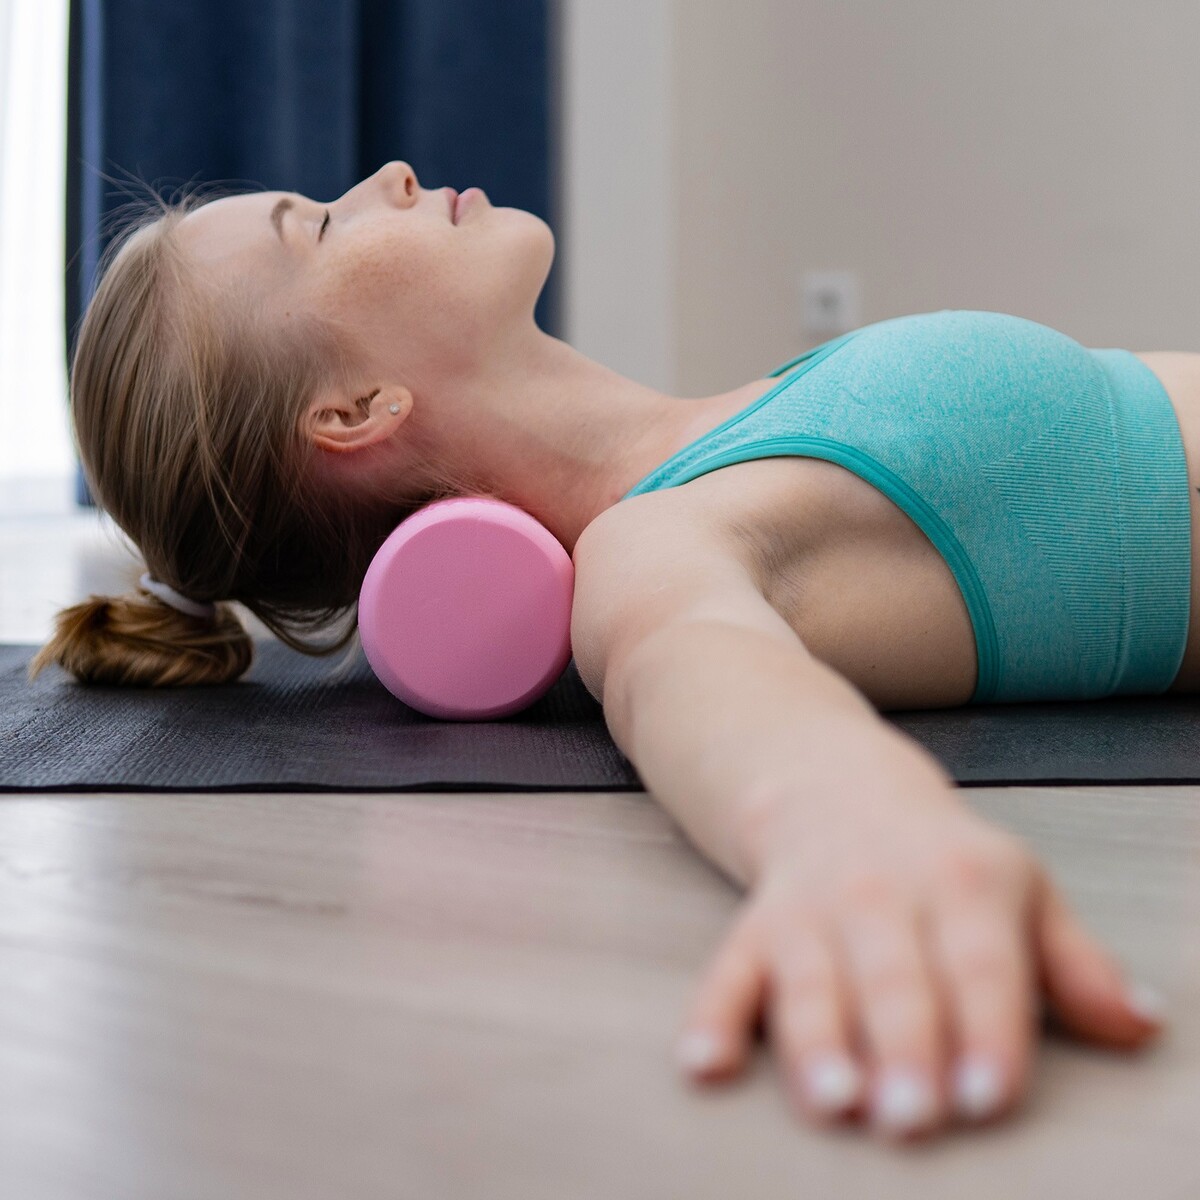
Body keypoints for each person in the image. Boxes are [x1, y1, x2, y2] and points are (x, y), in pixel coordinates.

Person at [28, 160, 1169, 1143]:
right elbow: (694, 662)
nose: (388, 179)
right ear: (355, 408)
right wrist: (849, 826)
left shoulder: (727, 422)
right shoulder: (650, 541)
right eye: (322, 225)